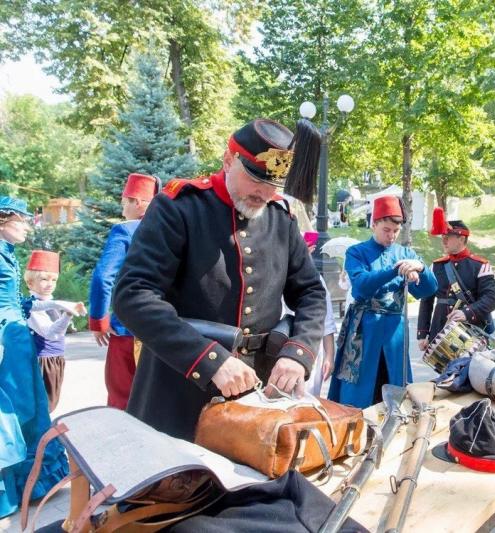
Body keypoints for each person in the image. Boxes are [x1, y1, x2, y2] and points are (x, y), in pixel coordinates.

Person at [113, 118, 327, 440]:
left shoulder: (280, 219)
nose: (265, 193)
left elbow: (311, 292)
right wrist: (208, 359)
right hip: (178, 392)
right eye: (255, 177)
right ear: (228, 160)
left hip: (255, 396)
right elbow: (132, 295)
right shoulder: (179, 208)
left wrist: (298, 353)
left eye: (275, 184)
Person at [328, 196, 437, 408]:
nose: (392, 236)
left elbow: (428, 290)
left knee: (396, 386)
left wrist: (421, 270)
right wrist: (395, 270)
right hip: (364, 331)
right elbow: (361, 286)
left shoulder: (407, 254)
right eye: (386, 230)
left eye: (396, 231)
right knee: (358, 389)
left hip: (394, 333)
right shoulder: (356, 252)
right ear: (373, 224)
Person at [0, 197, 68, 518]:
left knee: (31, 404)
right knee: (12, 410)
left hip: (18, 339)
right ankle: (13, 487)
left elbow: (20, 301)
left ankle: (36, 480)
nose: (28, 226)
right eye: (23, 220)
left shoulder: (8, 253)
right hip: (5, 341)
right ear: (3, 220)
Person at [89, 173, 159, 410]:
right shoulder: (171, 229)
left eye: (124, 202)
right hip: (166, 330)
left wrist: (98, 320)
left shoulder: (125, 231)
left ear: (137, 202)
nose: (122, 209)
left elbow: (103, 276)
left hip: (128, 329)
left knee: (122, 398)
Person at [417, 207, 495, 350]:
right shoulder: (436, 266)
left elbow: (491, 299)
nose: (444, 240)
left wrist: (466, 313)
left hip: (471, 330)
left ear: (461, 238)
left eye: (448, 237)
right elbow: (426, 301)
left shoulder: (480, 266)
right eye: (443, 237)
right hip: (440, 330)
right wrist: (423, 333)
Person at [23, 250, 86, 412]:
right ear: (30, 282)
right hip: (43, 361)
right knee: (43, 406)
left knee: (50, 403)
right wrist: (67, 315)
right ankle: (39, 436)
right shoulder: (33, 306)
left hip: (55, 359)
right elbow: (50, 334)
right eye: (44, 279)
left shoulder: (52, 302)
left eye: (54, 280)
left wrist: (69, 315)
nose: (50, 284)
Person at [301, 232, 337, 396]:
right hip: (277, 346)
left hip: (310, 348)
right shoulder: (274, 274)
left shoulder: (316, 279)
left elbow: (327, 321)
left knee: (306, 402)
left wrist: (329, 355)